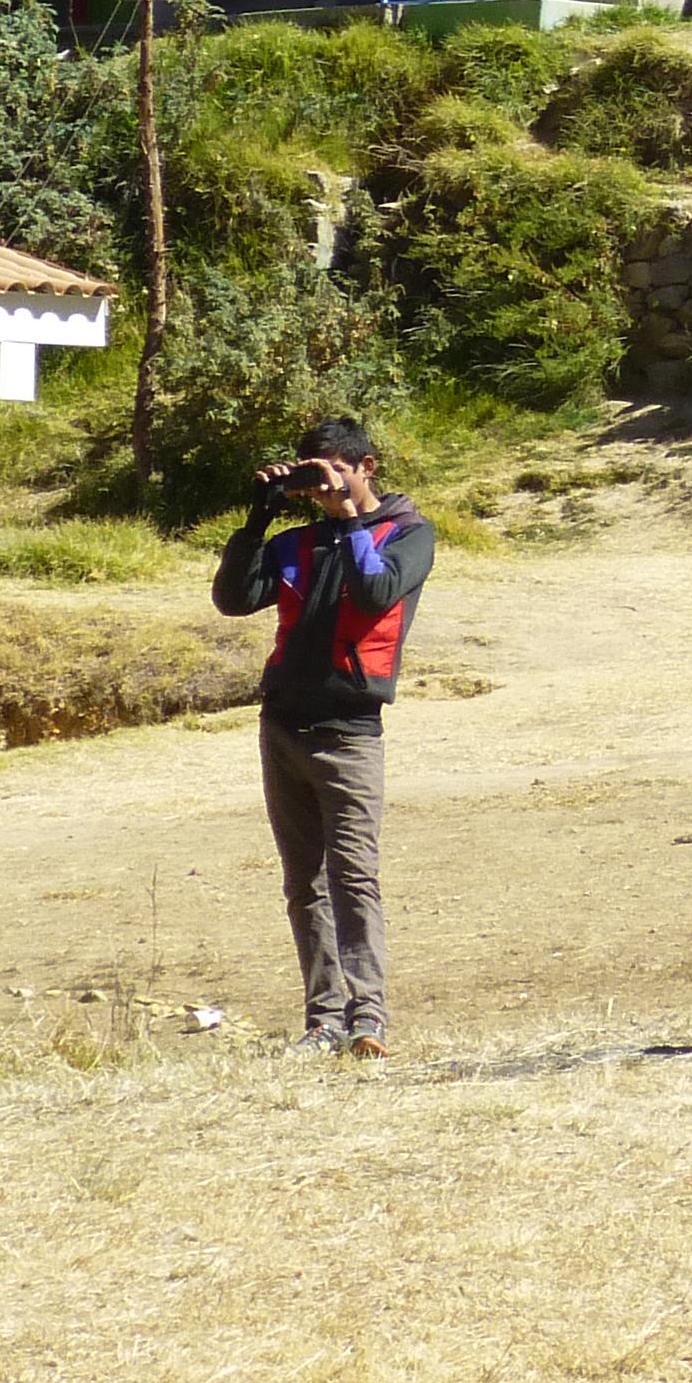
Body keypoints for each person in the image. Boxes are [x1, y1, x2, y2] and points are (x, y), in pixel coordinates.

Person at [212, 416, 435, 1057]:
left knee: (354, 878)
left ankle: (369, 1017)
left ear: (368, 466)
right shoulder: (295, 542)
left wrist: (345, 522)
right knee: (302, 883)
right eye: (315, 472)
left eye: (338, 468)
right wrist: (257, 521)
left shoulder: (409, 535)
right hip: (282, 725)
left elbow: (375, 592)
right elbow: (233, 598)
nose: (325, 483)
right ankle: (324, 1020)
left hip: (349, 732)